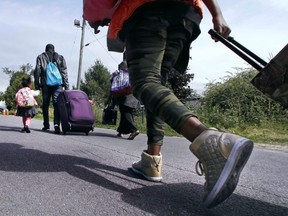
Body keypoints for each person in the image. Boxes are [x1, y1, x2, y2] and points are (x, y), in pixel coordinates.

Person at [84, 0, 254, 208]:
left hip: (146, 9)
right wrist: (216, 13)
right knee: (157, 82)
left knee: (144, 82)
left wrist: (95, 16)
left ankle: (210, 141)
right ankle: (151, 161)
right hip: (186, 13)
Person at [34, 44, 69, 134]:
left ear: (45, 49)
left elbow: (37, 70)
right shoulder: (60, 58)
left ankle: (46, 125)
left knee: (45, 104)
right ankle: (56, 125)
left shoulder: (40, 57)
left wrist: (37, 84)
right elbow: (64, 72)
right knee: (57, 104)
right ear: (54, 49)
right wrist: (66, 85)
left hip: (45, 83)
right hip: (58, 84)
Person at [112, 61, 140, 140]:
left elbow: (113, 85)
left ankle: (134, 130)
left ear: (121, 67)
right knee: (126, 114)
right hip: (134, 98)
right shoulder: (134, 74)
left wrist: (114, 76)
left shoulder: (119, 75)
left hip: (125, 98)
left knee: (125, 114)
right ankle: (120, 132)